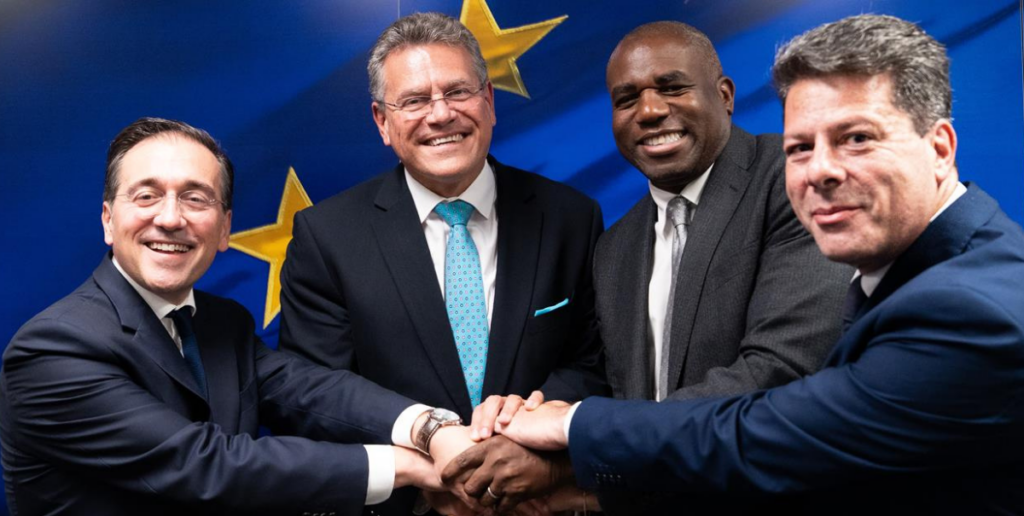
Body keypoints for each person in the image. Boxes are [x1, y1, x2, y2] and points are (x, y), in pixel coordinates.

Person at [450, 14, 1024, 515]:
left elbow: (773, 421)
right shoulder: (616, 242)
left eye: (856, 138)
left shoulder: (965, 308)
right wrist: (537, 427)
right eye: (801, 147)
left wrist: (570, 432)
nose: (821, 171)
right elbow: (619, 381)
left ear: (940, 149)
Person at [0, 118, 473, 516]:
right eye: (146, 196)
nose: (170, 218)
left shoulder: (221, 321)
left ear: (224, 228)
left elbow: (309, 391)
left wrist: (430, 428)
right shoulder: (54, 349)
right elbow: (207, 466)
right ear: (108, 220)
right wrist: (412, 466)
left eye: (195, 198)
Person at [277, 12, 608, 514]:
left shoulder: (571, 217)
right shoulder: (327, 236)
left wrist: (522, 439)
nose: (440, 114)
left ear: (489, 101)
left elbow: (594, 364)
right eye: (414, 101)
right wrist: (433, 465)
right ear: (382, 122)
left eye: (457, 92)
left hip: (539, 500)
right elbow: (313, 394)